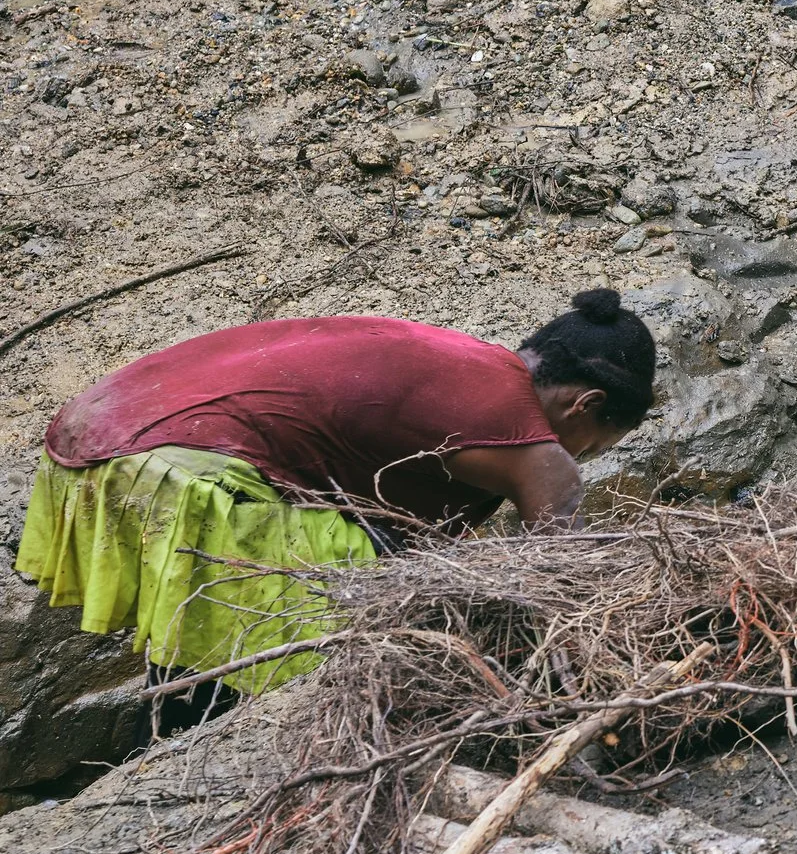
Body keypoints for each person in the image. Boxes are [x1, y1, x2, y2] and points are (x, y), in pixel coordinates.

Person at [15, 289, 655, 691]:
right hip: (175, 465)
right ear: (584, 405)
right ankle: (217, 761)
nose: (580, 460)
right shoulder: (523, 430)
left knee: (324, 572)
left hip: (98, 432)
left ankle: (174, 734)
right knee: (326, 631)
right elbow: (563, 578)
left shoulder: (462, 364)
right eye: (595, 446)